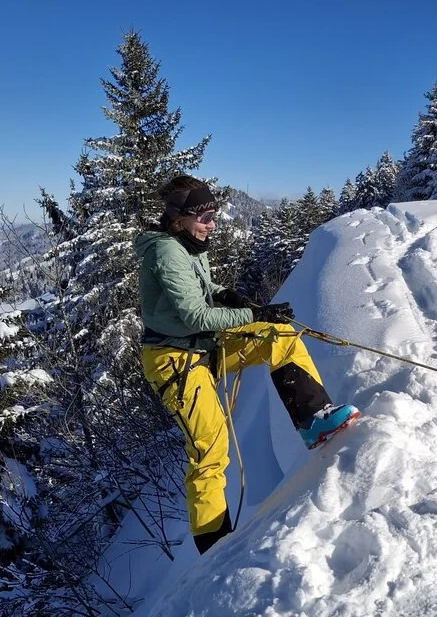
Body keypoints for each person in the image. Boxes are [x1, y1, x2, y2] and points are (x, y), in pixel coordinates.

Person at [135, 175, 360, 554]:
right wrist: (250, 312)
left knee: (280, 337)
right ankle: (214, 548)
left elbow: (198, 290)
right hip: (174, 359)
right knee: (210, 451)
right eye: (203, 216)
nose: (212, 223)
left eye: (213, 214)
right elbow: (194, 316)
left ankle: (315, 420)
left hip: (201, 347)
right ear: (178, 218)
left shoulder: (188, 246)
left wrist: (227, 293)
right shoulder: (167, 252)